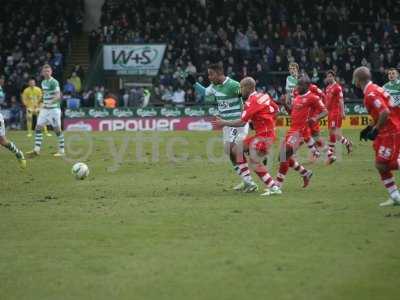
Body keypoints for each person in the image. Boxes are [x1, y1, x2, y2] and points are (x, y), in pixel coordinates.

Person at [192, 62, 258, 192]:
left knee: (234, 148)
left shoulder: (234, 86)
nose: (209, 77)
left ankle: (254, 156)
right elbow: (204, 92)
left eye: (211, 74)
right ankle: (247, 181)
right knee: (230, 152)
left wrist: (249, 117)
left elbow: (246, 97)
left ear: (219, 73)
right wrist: (192, 81)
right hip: (226, 124)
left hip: (238, 122)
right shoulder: (214, 86)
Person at [213, 77, 282, 196]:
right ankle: (248, 181)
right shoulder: (264, 96)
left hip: (264, 136)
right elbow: (277, 110)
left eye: (241, 88)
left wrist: (224, 122)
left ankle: (274, 187)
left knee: (255, 163)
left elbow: (241, 122)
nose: (240, 90)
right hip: (265, 133)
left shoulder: (251, 102)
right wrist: (268, 122)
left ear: (248, 88)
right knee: (236, 149)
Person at [354, 66, 400, 207]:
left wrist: (376, 129)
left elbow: (385, 112)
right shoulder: (375, 88)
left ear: (358, 80)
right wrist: (369, 128)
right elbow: (380, 111)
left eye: (354, 78)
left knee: (382, 164)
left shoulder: (370, 94)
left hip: (390, 130)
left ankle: (395, 196)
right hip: (386, 130)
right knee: (380, 164)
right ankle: (395, 196)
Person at [276, 74, 327, 189]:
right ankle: (305, 173)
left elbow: (325, 111)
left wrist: (315, 118)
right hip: (292, 130)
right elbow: (291, 113)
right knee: (283, 157)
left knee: (283, 156)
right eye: (297, 84)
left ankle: (277, 185)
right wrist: (284, 103)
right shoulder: (297, 97)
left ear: (307, 86)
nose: (297, 86)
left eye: (299, 84)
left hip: (300, 132)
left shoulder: (313, 97)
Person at [27, 64, 65, 157]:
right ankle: (36, 150)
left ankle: (62, 150)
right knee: (38, 127)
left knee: (57, 130)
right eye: (45, 71)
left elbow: (58, 96)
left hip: (54, 109)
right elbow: (45, 95)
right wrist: (40, 103)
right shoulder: (43, 82)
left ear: (51, 72)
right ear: (42, 73)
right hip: (45, 109)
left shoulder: (54, 82)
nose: (47, 73)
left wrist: (49, 103)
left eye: (48, 71)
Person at [324, 70, 353, 164]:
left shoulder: (337, 87)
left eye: (331, 76)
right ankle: (347, 143)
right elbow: (327, 101)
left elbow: (341, 100)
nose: (329, 78)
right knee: (334, 133)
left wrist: (343, 112)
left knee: (333, 132)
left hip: (336, 112)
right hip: (329, 112)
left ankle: (331, 153)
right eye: (328, 76)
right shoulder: (327, 88)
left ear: (334, 77)